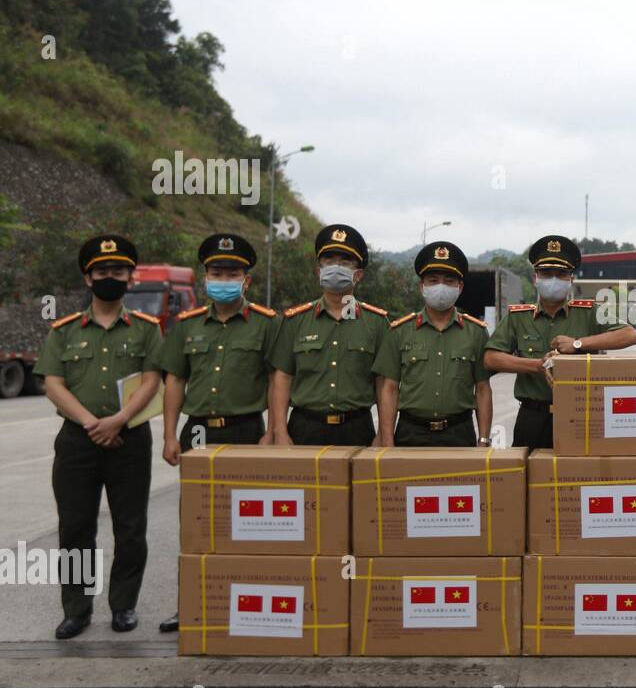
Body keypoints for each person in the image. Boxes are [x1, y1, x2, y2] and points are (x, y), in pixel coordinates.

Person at [33, 235, 164, 639]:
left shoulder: (145, 329)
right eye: (102, 271)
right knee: (75, 527)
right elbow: (53, 383)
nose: (111, 277)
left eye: (118, 271)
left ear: (131, 277)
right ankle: (77, 609)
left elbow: (152, 379)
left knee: (130, 527)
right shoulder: (65, 331)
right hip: (77, 442)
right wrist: (94, 423)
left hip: (130, 439)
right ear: (88, 279)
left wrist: (120, 419)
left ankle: (123, 606)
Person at [157, 232, 280, 634]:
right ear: (203, 276)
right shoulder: (186, 326)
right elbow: (175, 380)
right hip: (197, 433)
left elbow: (278, 379)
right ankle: (189, 604)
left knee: (248, 523)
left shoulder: (266, 324)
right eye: (216, 271)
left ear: (246, 280)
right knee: (195, 523)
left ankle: (244, 605)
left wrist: (273, 431)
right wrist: (170, 435)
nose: (223, 277)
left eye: (232, 272)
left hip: (246, 430)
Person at [484, 235, 636, 449]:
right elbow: (491, 358)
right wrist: (538, 366)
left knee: (578, 475)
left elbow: (630, 334)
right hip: (532, 416)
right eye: (547, 274)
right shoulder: (518, 317)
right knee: (528, 478)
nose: (553, 280)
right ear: (535, 278)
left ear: (571, 280)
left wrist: (578, 344)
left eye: (561, 274)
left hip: (580, 412)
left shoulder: (589, 312)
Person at [268, 224, 388, 447]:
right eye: (329, 261)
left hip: (357, 429)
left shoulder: (377, 323)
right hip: (304, 428)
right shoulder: (295, 321)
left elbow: (384, 384)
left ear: (358, 274)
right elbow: (282, 378)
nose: (336, 267)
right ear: (318, 271)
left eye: (344, 262)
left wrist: (383, 434)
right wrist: (279, 431)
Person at [375, 240, 493, 447]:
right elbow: (389, 388)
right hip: (411, 433)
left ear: (460, 286)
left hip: (459, 432)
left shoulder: (476, 332)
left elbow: (482, 389)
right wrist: (387, 439)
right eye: (433, 280)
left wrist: (483, 440)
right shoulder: (399, 331)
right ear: (422, 286)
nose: (441, 287)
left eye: (449, 281)